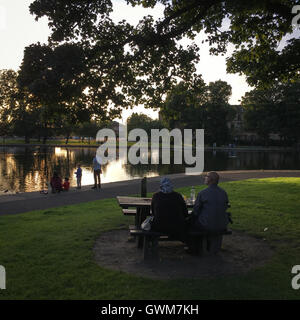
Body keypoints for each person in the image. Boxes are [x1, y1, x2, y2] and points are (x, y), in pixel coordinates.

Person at [188, 171, 230, 253]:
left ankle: (195, 248)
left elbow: (196, 211)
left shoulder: (203, 193)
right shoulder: (223, 193)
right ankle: (211, 245)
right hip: (222, 224)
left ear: (211, 180)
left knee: (192, 223)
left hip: (207, 225)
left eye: (206, 176)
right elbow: (224, 207)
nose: (205, 178)